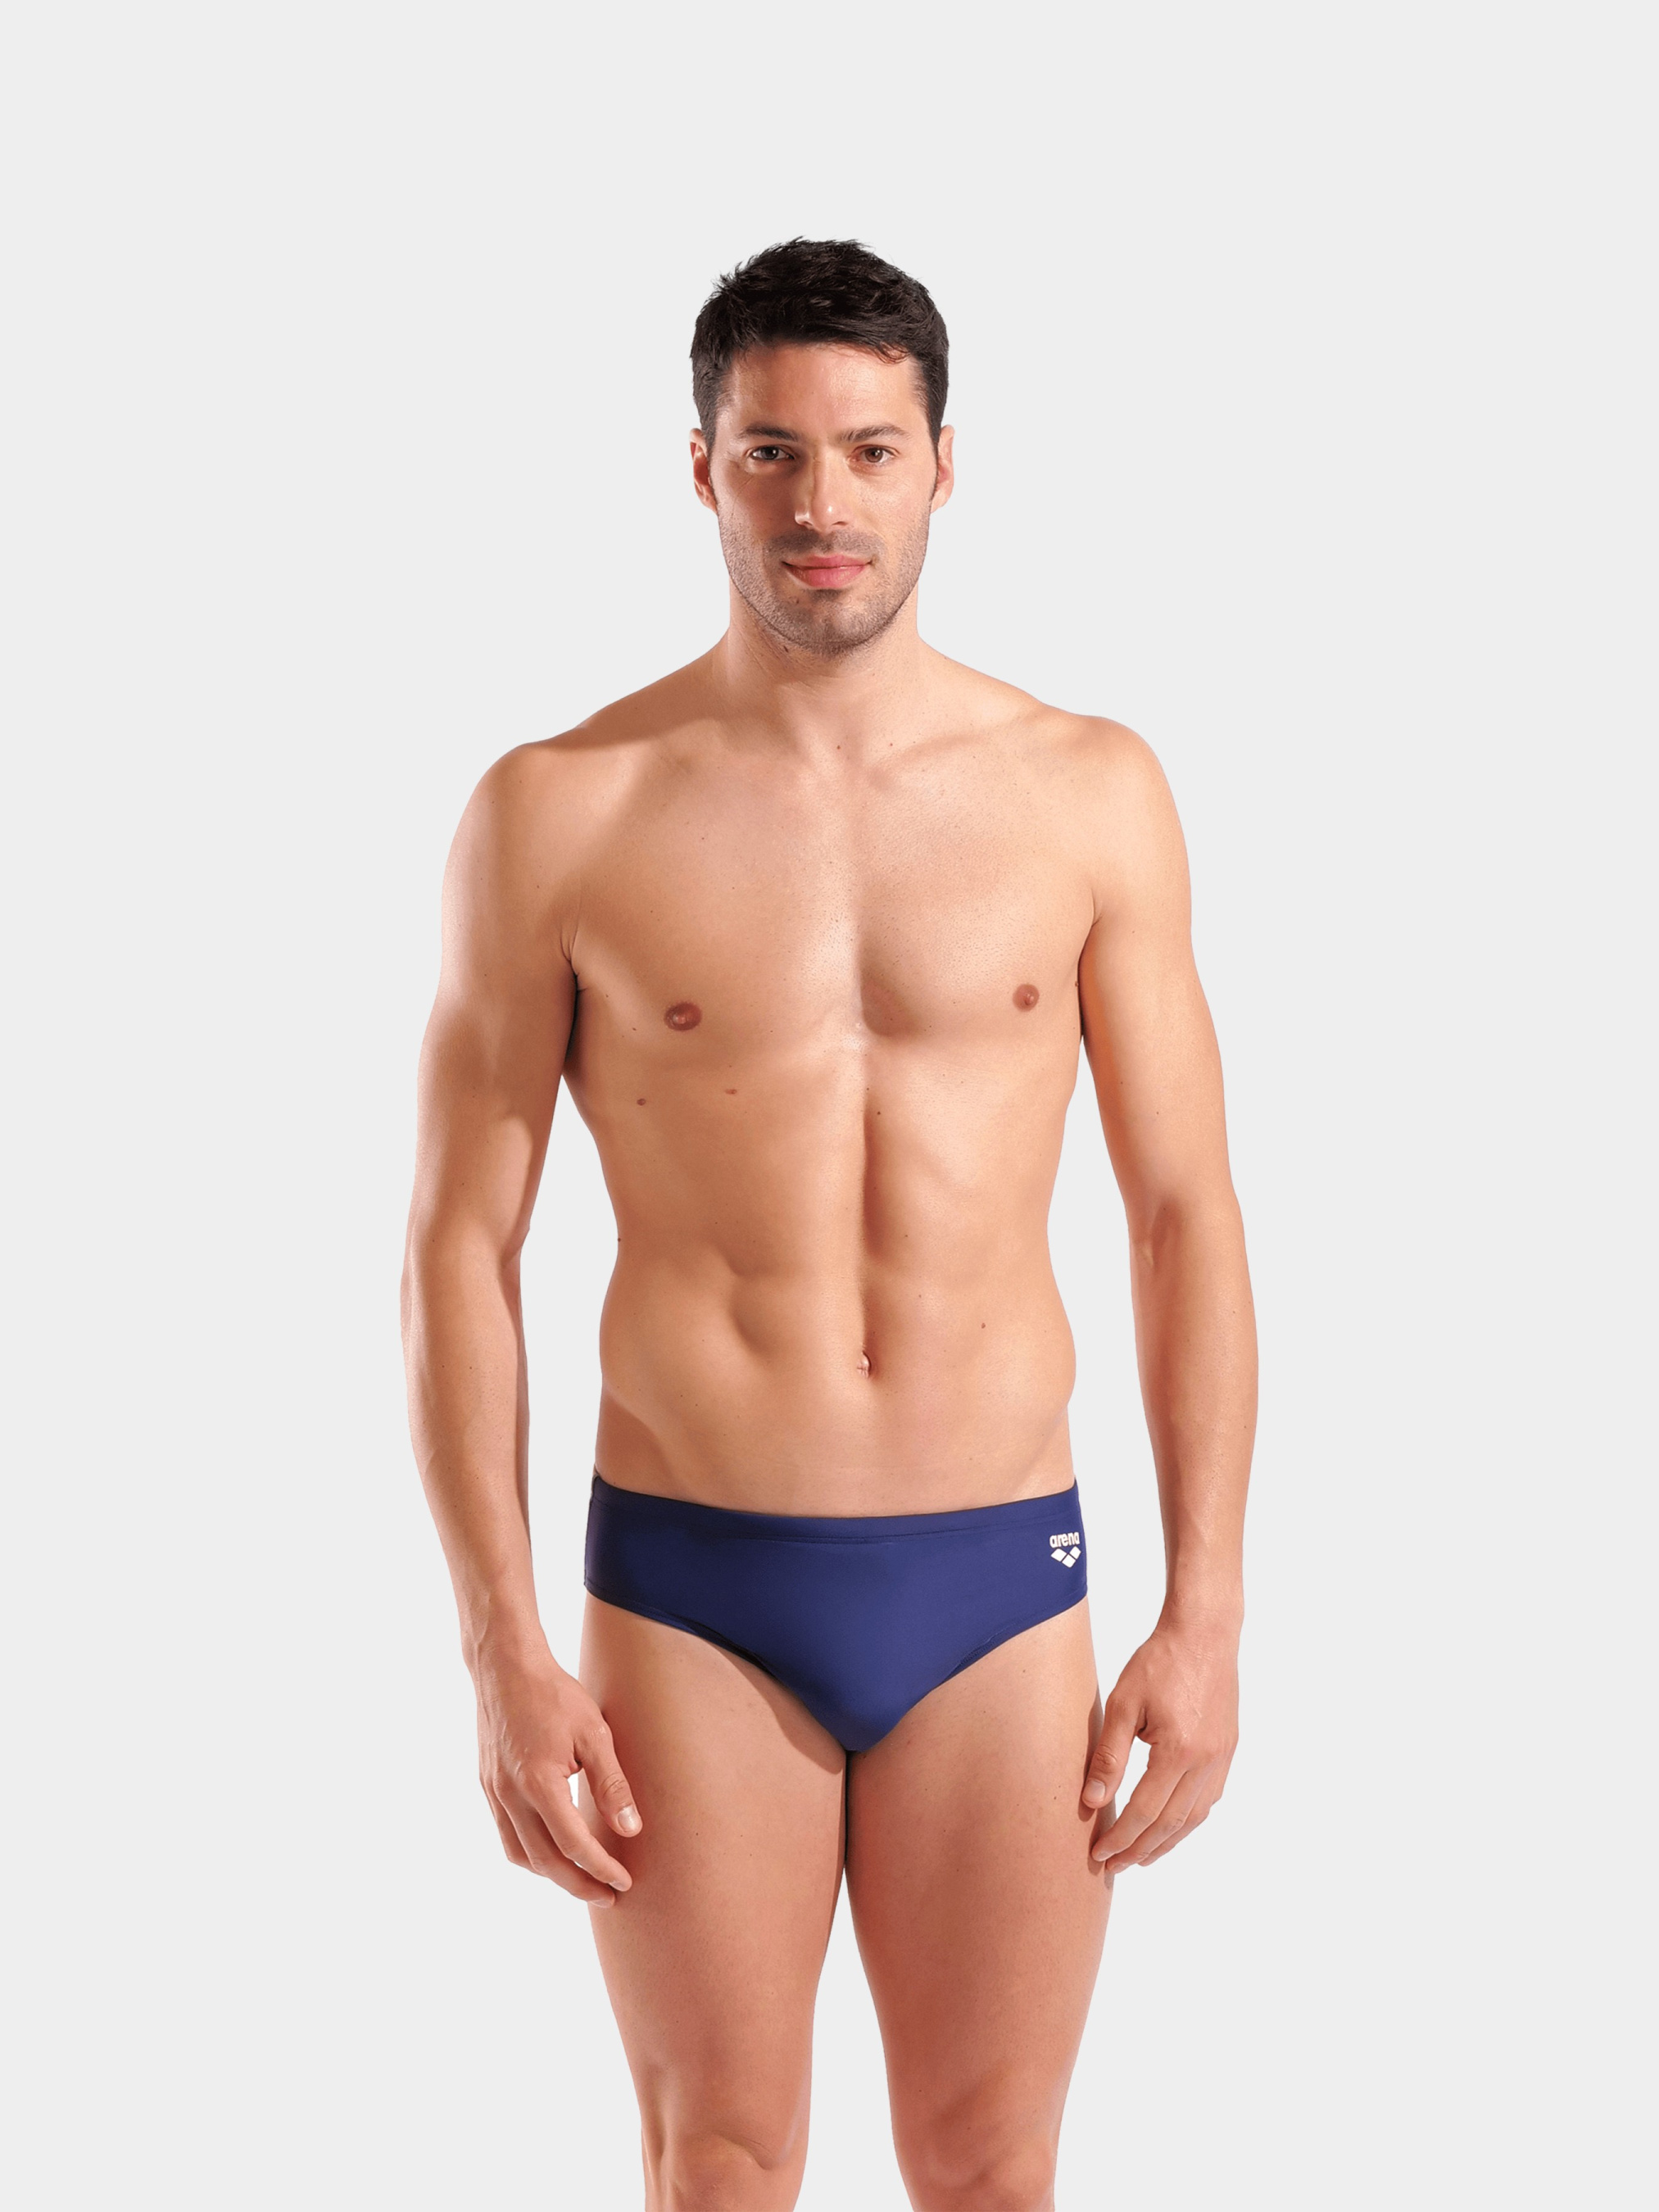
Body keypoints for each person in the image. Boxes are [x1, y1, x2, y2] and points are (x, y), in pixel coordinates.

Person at [401, 237, 1255, 2212]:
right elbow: (458, 1245)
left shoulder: (1088, 792)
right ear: (700, 468)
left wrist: (1205, 1610)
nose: (821, 504)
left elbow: (1181, 1211)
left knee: (988, 2168)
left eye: (868, 451)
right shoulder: (559, 810)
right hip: (691, 1580)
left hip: (999, 1577)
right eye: (771, 452)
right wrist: (499, 1647)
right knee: (718, 2165)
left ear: (942, 464)